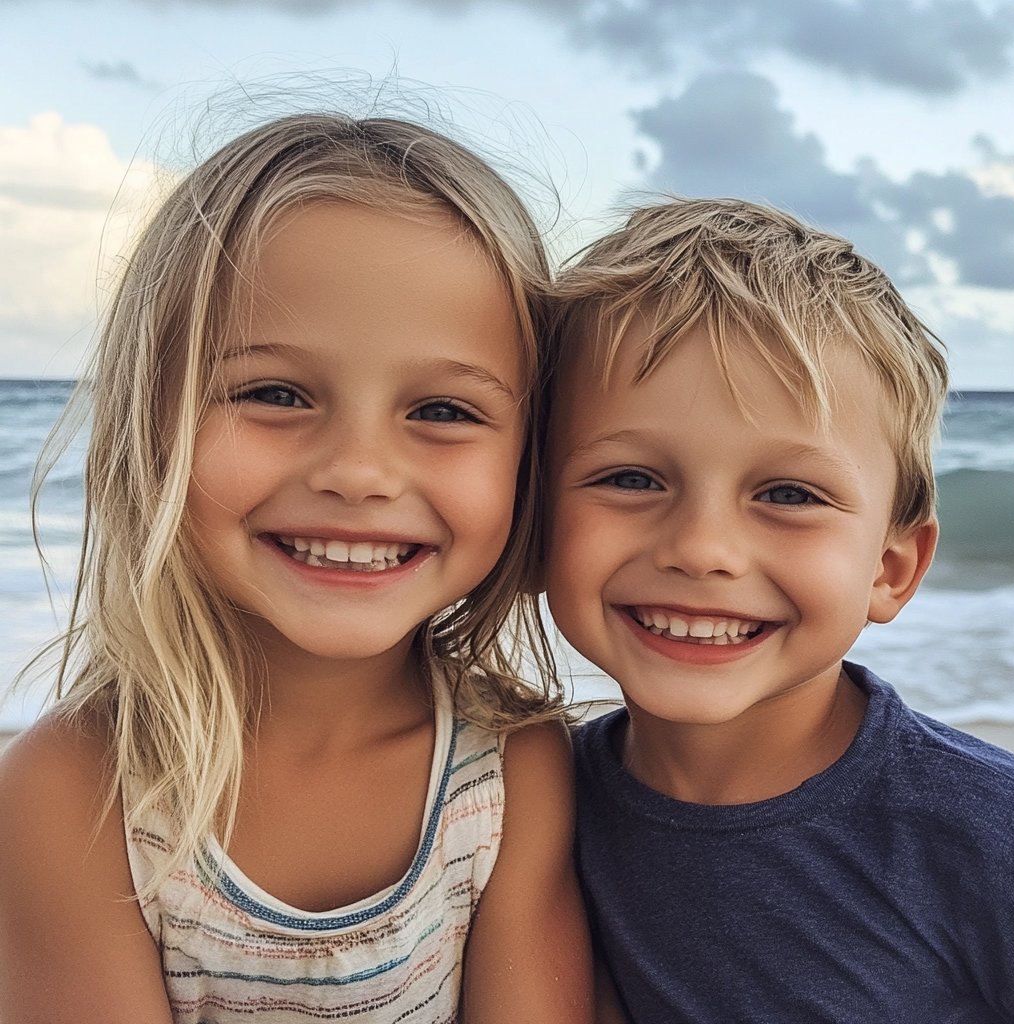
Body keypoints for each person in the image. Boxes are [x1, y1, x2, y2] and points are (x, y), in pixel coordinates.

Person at [0, 113, 592, 1024]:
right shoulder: (74, 790)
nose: (358, 472)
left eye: (443, 409)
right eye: (274, 393)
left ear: (529, 457)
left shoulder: (512, 768)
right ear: (143, 431)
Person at [545, 198, 1014, 1023]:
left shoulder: (990, 839)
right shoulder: (522, 809)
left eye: (789, 494)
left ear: (890, 567)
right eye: (631, 478)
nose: (702, 548)